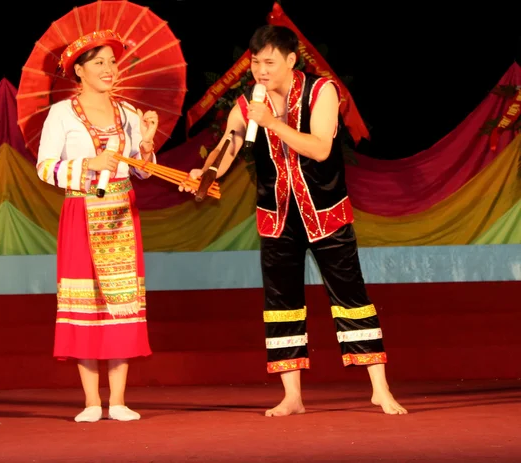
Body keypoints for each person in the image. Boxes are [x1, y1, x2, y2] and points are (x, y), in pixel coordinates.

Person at [181, 25, 407, 417]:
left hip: (325, 213)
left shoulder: (323, 92)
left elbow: (320, 148)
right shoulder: (250, 99)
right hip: (277, 215)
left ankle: (379, 389)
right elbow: (230, 142)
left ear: (290, 60)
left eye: (269, 62)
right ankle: (292, 396)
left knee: (350, 297)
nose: (261, 70)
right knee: (281, 303)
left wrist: (271, 122)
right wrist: (207, 173)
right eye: (255, 62)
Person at [36, 30, 158, 423]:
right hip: (82, 213)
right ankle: (91, 401)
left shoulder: (129, 115)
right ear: (80, 71)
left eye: (112, 62)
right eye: (99, 63)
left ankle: (119, 400)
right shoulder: (62, 114)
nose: (109, 69)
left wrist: (148, 143)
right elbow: (45, 167)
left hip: (122, 212)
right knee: (85, 301)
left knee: (121, 301)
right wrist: (88, 165)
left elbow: (141, 173)